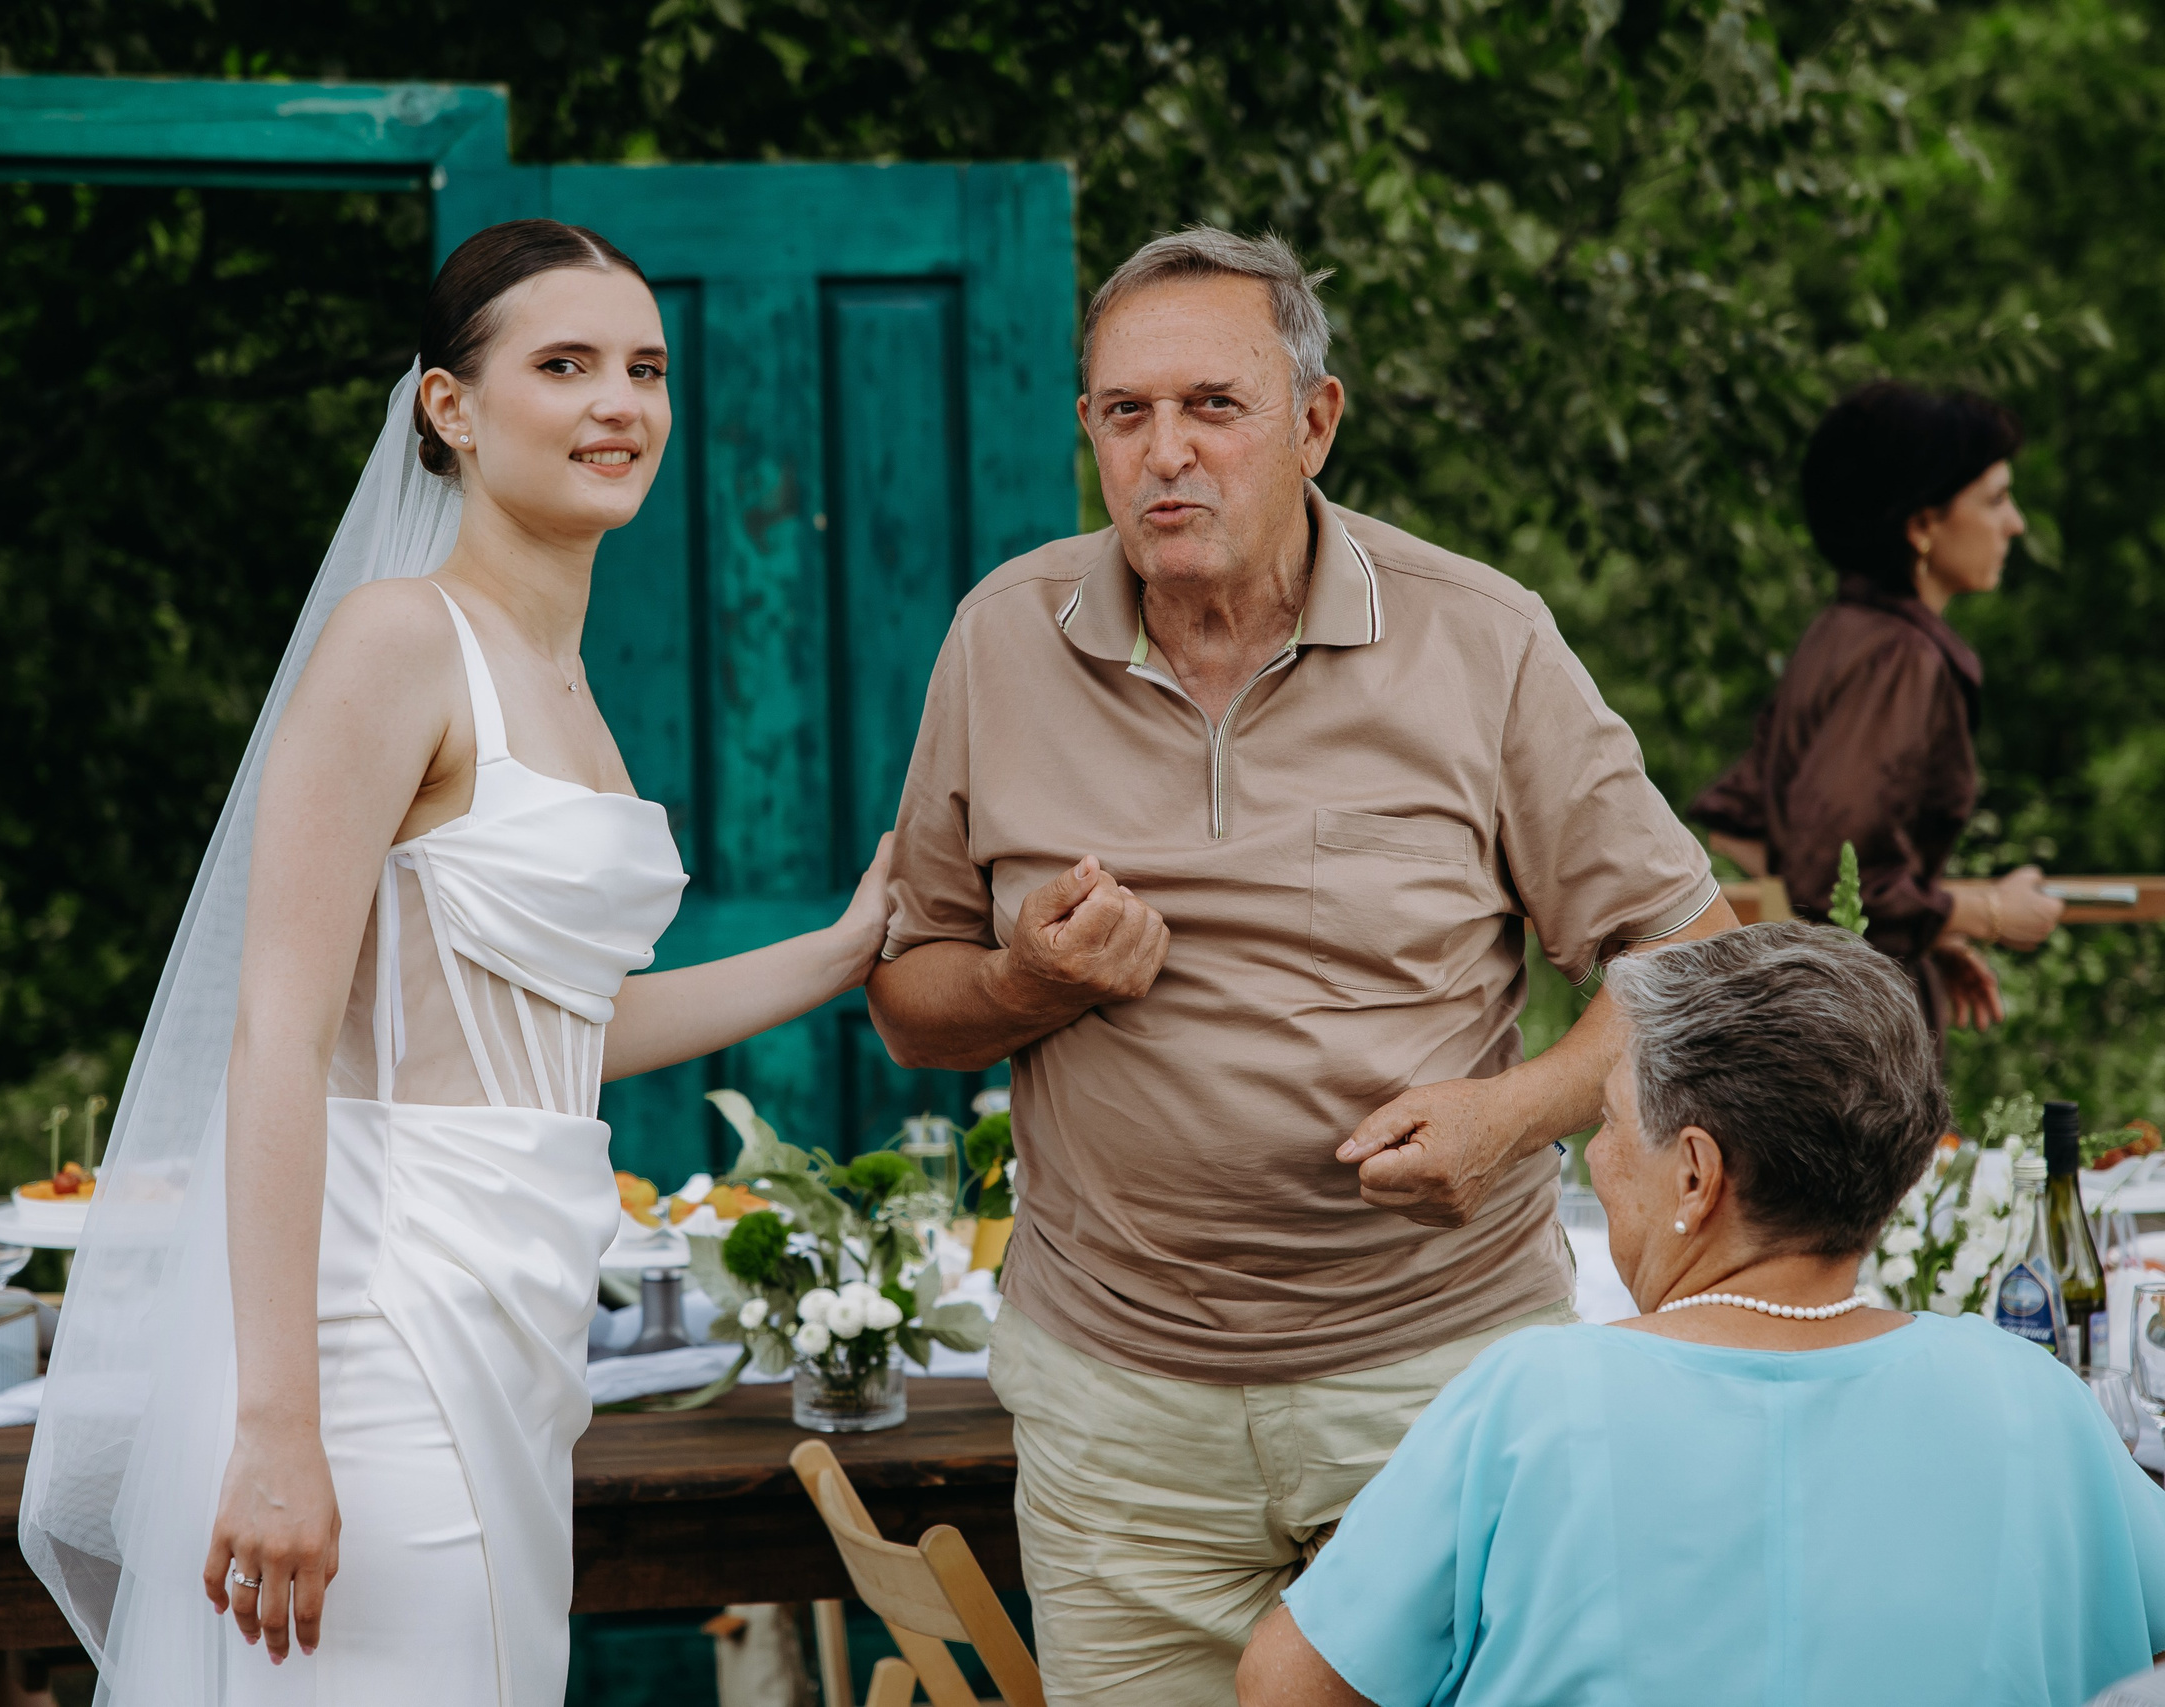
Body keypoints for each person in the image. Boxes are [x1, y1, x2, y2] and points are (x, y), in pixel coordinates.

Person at [19, 221, 893, 1704]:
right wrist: (279, 1423)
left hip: (519, 1300)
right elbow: (277, 1035)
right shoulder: (396, 643)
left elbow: (559, 1032)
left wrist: (843, 949)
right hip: (380, 1318)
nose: (621, 402)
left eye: (646, 368)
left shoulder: (561, 679)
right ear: (451, 407)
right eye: (566, 365)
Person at [865, 225, 1740, 1706]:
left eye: (1215, 405)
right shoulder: (999, 641)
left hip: (1439, 1373)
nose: (1165, 455)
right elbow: (907, 995)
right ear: (1088, 432)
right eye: (1124, 415)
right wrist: (1031, 982)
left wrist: (1515, 1111)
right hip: (1120, 1398)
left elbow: (1696, 959)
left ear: (1315, 422)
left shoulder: (1483, 639)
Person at [1237, 920, 2165, 1707]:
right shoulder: (2032, 1399)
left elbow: (1286, 1686)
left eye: (1606, 1121)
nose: (1592, 1161)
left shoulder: (1534, 1398)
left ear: (1695, 1171)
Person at [1691, 380, 2060, 1037]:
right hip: (1857, 1030)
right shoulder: (1902, 658)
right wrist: (1984, 912)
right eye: (1996, 499)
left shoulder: (1840, 631)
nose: (2016, 523)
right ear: (1922, 525)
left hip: (1826, 1007)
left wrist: (1927, 930)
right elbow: (1831, 871)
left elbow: (1742, 827)